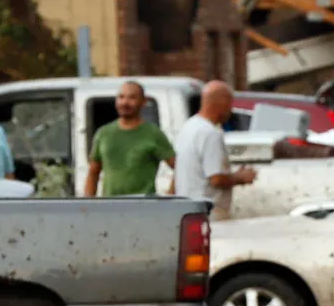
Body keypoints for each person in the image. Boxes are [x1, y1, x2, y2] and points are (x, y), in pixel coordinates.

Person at [173, 81, 256, 220]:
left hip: (188, 210)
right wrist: (241, 177)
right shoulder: (211, 133)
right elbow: (216, 179)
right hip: (209, 213)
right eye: (230, 104)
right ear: (222, 103)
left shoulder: (189, 126)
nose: (230, 110)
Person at [83, 81, 175, 197]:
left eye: (132, 98)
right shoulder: (103, 133)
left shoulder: (153, 133)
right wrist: (88, 206)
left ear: (143, 102)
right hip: (110, 207)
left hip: (143, 208)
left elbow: (179, 168)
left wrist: (170, 196)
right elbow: (93, 173)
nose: (125, 102)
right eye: (121, 97)